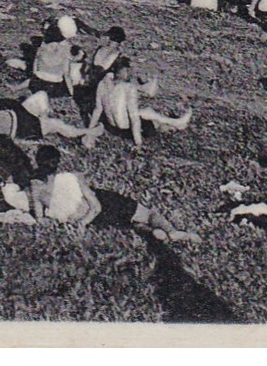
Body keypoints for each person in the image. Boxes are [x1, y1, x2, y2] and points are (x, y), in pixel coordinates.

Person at [27, 145, 199, 242]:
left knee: (130, 225)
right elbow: (96, 207)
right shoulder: (71, 178)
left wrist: (77, 223)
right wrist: (83, 223)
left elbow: (39, 217)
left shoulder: (35, 187)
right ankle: (171, 230)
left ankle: (154, 233)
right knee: (148, 214)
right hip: (103, 202)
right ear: (57, 163)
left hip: (98, 221)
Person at [89, 59, 192, 146]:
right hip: (127, 130)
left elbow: (97, 110)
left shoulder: (102, 84)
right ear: (126, 72)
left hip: (112, 128)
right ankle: (176, 123)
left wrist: (88, 132)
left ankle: (172, 124)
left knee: (148, 116)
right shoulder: (128, 87)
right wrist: (138, 143)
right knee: (147, 113)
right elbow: (134, 118)